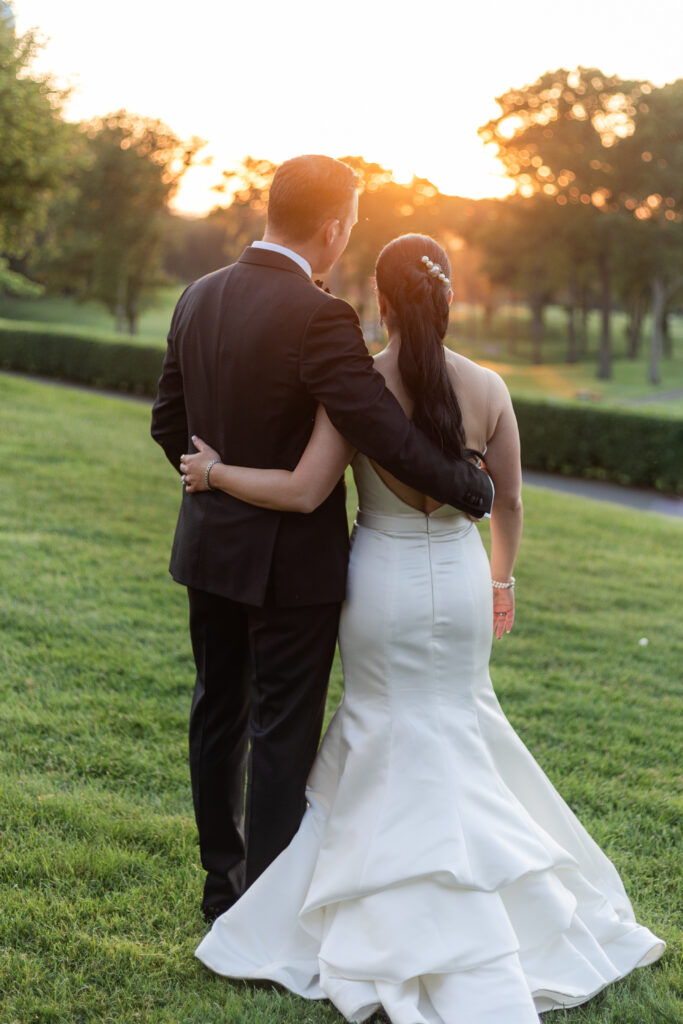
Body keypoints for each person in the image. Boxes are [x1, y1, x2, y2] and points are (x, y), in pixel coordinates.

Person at [182, 234, 665, 1023]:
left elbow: (305, 491)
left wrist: (214, 472)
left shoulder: (358, 386)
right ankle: (501, 903)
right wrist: (500, 577)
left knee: (383, 726)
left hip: (381, 582)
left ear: (379, 298)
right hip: (463, 577)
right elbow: (506, 502)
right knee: (461, 722)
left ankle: (369, 902)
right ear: (445, 297)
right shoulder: (487, 385)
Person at [151, 156, 493, 923]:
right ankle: (265, 906)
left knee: (217, 710)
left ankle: (220, 886)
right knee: (280, 725)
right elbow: (378, 428)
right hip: (290, 566)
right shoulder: (319, 315)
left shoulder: (195, 295)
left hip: (207, 549)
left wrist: (215, 485)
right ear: (334, 228)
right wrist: (469, 487)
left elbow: (167, 426)